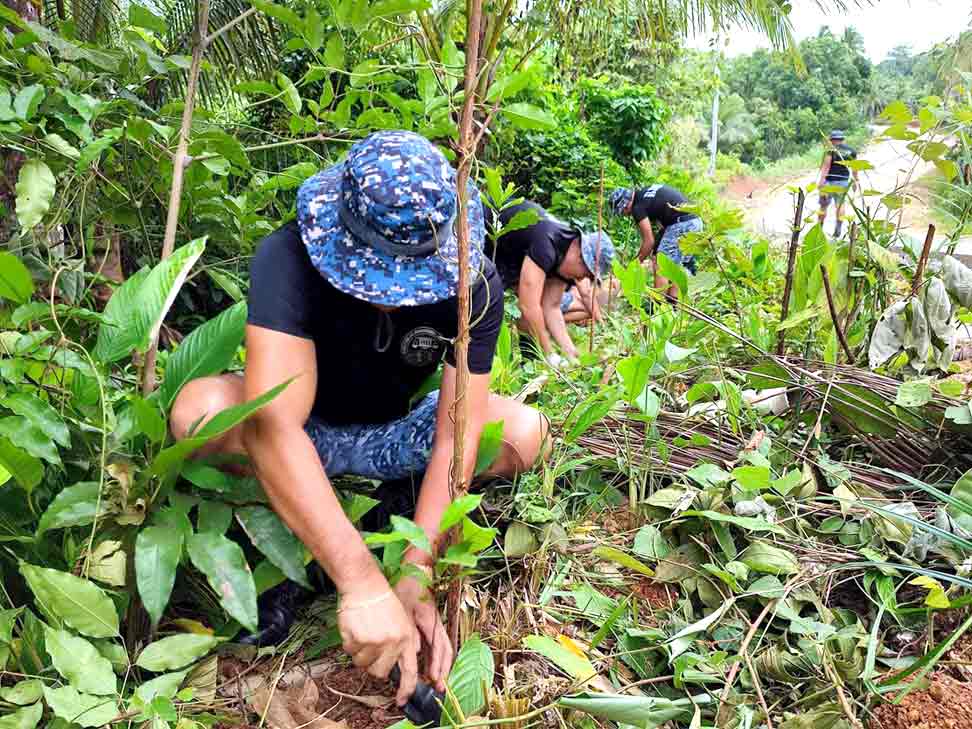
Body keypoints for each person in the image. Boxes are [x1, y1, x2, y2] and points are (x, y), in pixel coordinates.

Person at [169, 131, 549, 707]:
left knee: (523, 433)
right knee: (200, 415)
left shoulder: (476, 285)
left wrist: (415, 573)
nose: (394, 297)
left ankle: (386, 516)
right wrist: (359, 579)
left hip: (395, 433)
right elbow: (274, 425)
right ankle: (282, 553)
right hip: (303, 432)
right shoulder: (288, 257)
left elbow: (455, 435)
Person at [486, 199, 614, 366]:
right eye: (586, 274)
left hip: (507, 255)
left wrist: (570, 353)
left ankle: (529, 364)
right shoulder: (548, 243)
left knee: (528, 313)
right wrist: (550, 354)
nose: (582, 279)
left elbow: (551, 307)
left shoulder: (564, 260)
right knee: (486, 309)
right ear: (580, 256)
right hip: (483, 232)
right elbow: (528, 306)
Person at [610, 184, 702, 302]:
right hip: (695, 222)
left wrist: (635, 264)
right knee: (676, 266)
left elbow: (649, 241)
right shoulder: (645, 194)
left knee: (661, 264)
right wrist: (654, 252)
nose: (626, 215)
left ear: (624, 205)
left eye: (623, 212)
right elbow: (662, 230)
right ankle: (673, 306)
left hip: (681, 224)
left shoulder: (637, 207)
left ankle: (658, 307)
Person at [817, 130, 858, 237]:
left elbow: (826, 167)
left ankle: (819, 229)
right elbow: (855, 168)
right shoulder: (851, 151)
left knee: (823, 206)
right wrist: (855, 181)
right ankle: (838, 228)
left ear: (832, 140)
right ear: (842, 139)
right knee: (840, 205)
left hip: (829, 182)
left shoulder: (831, 151)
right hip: (843, 181)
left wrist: (821, 182)